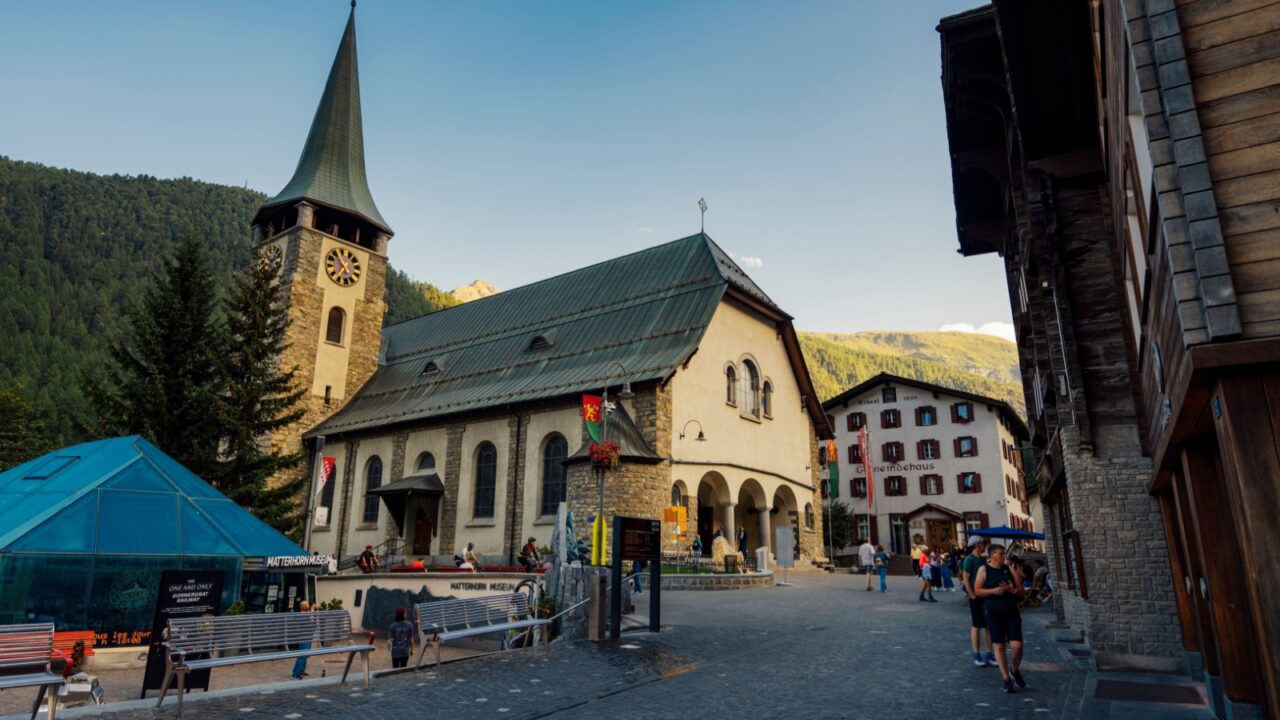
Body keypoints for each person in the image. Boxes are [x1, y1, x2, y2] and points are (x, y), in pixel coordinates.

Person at [974, 544, 1027, 693]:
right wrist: (994, 591)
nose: (1004, 556)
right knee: (999, 646)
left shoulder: (1010, 568)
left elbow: (1021, 593)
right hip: (993, 612)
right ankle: (1006, 678)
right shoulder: (984, 570)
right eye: (1000, 553)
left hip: (1011, 612)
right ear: (991, 555)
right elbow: (977, 591)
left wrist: (1012, 590)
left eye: (1004, 553)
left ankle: (1014, 669)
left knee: (1017, 645)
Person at [962, 535, 996, 668]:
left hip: (985, 596)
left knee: (987, 625)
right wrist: (973, 595)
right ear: (977, 545)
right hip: (976, 597)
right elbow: (966, 579)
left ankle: (989, 653)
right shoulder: (969, 560)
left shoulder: (982, 559)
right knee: (976, 625)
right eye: (983, 544)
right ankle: (976, 654)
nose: (985, 546)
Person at [291, 601, 314, 679]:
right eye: (307, 605)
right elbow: (311, 620)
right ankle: (295, 673)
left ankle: (301, 671)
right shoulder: (302, 615)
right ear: (304, 607)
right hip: (304, 637)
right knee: (302, 655)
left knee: (305, 654)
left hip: (308, 636)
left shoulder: (306, 614)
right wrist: (312, 610)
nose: (309, 605)